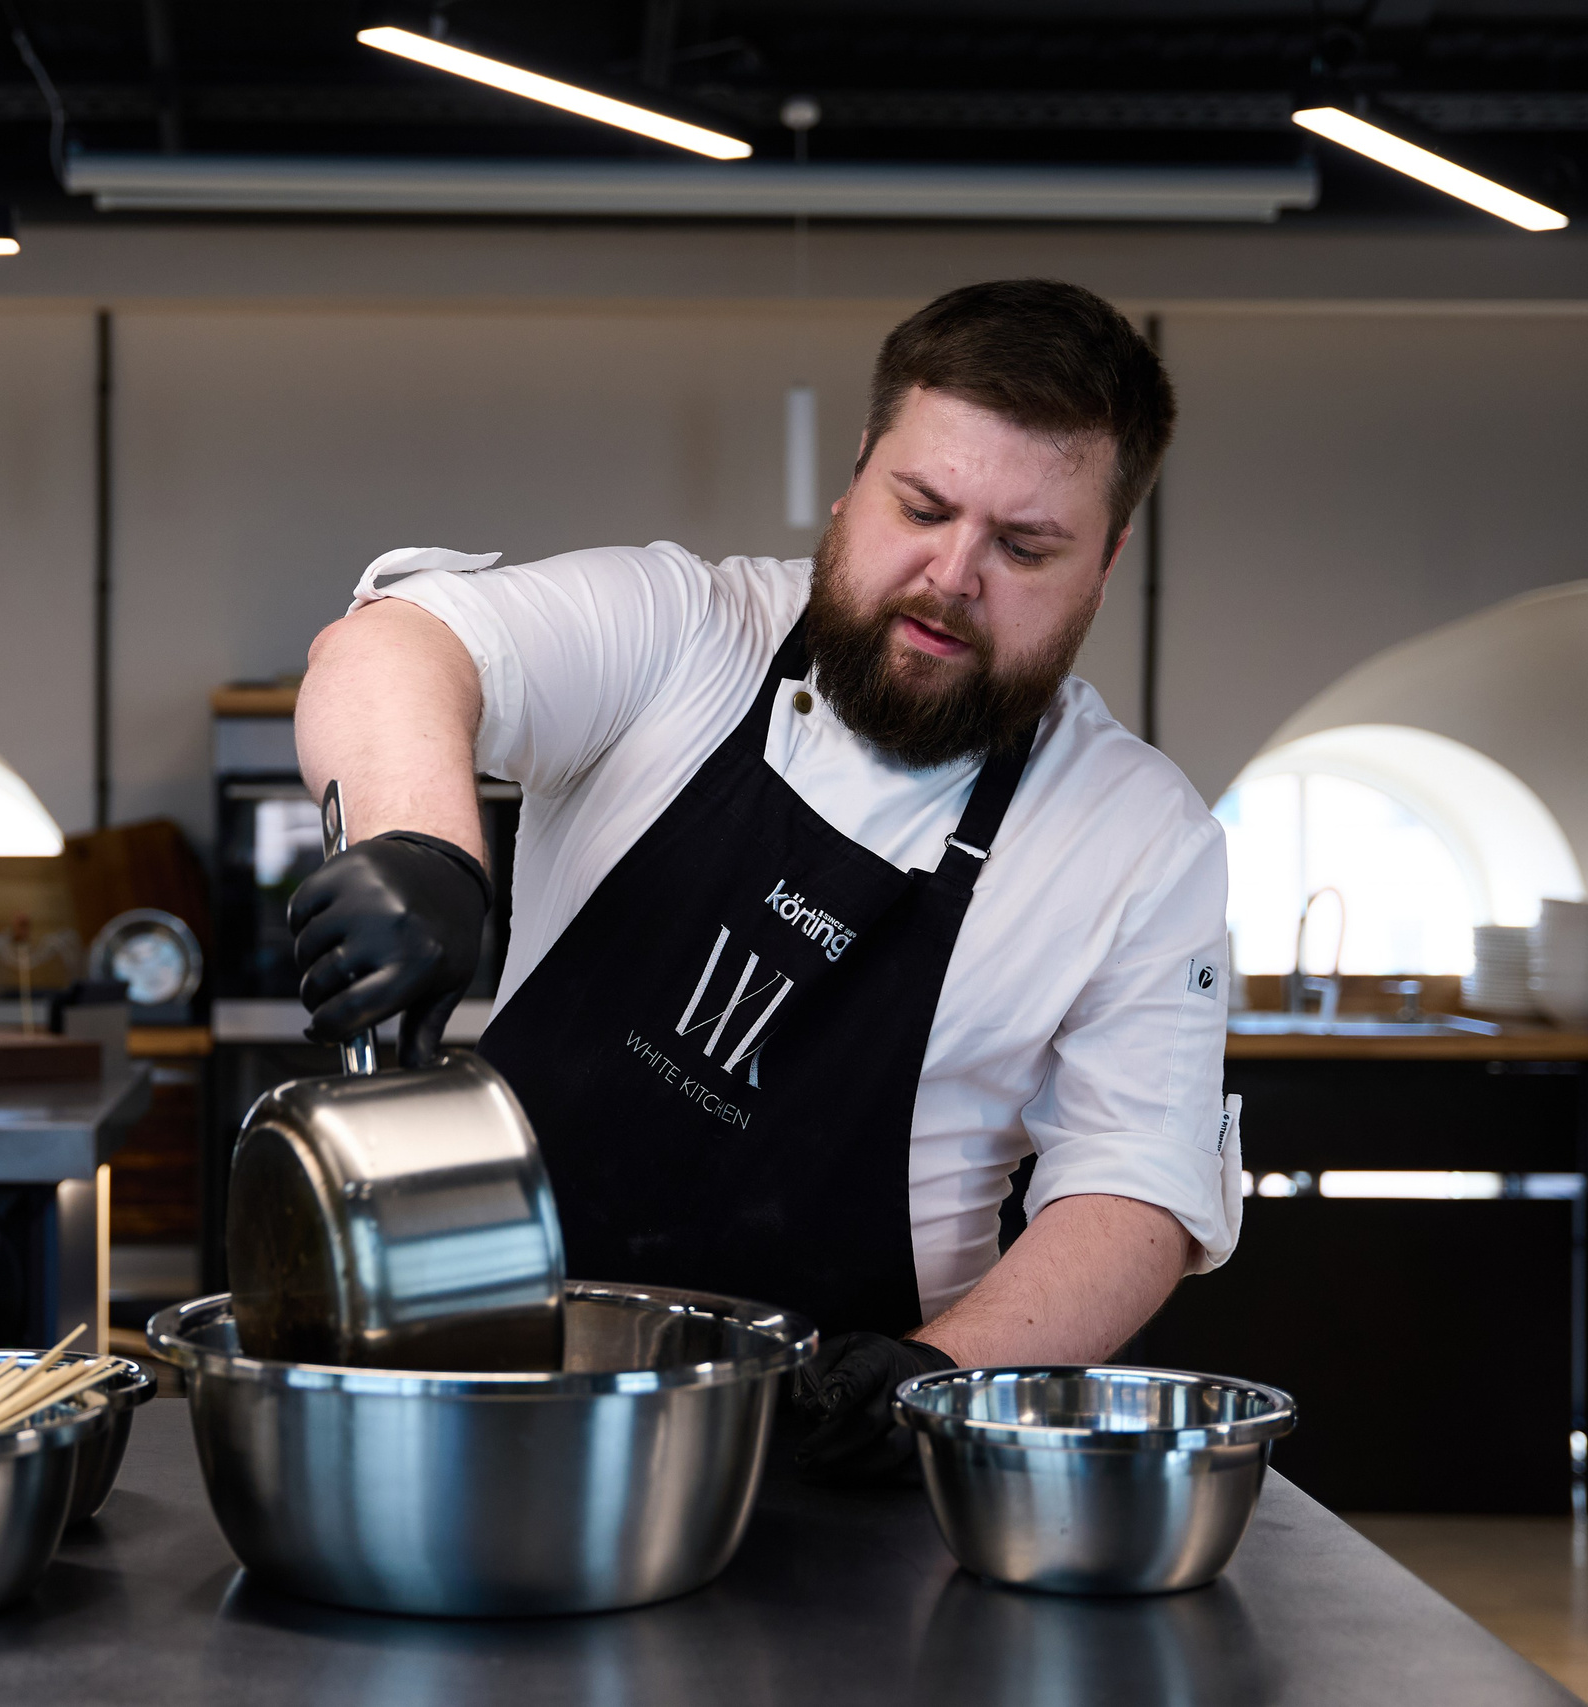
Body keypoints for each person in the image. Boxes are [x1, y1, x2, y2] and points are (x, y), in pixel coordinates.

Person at [288, 279, 1238, 1481]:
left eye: (1023, 547)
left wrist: (938, 1376)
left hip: (840, 1461)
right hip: (483, 1407)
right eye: (921, 507)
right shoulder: (685, 631)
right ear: (856, 475)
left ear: (1105, 564)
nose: (951, 575)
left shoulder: (1142, 840)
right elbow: (395, 646)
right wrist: (423, 846)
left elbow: (1135, 1191)